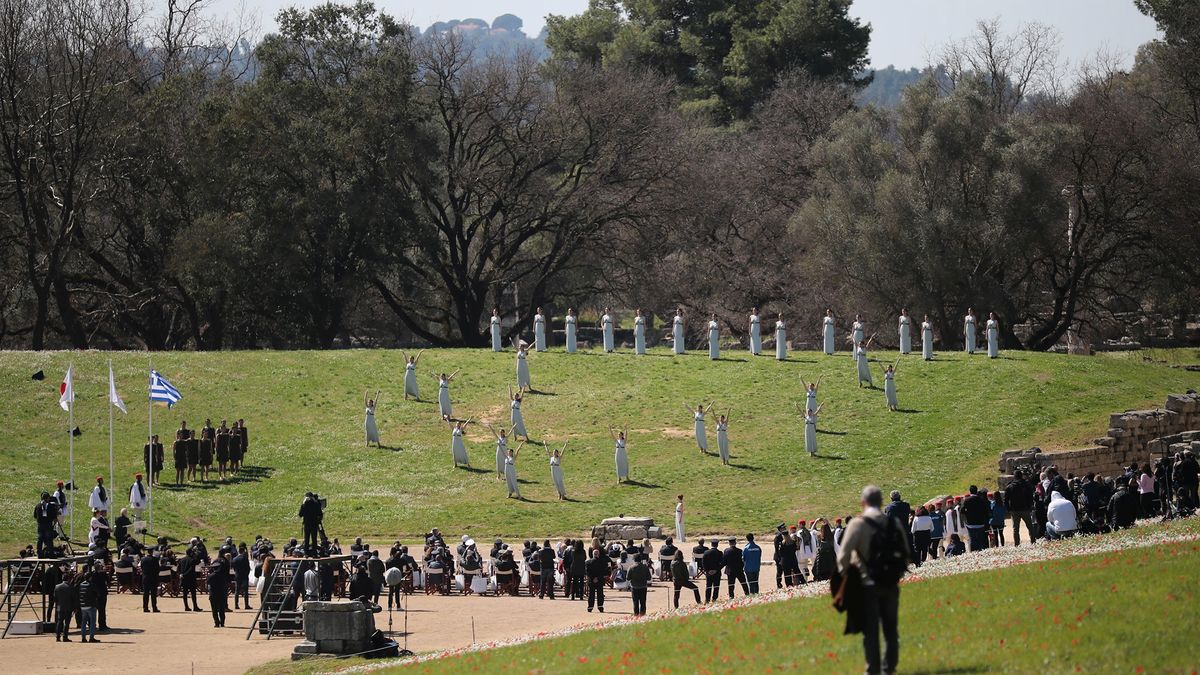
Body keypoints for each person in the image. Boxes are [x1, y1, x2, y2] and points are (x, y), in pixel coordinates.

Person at [835, 485, 911, 675]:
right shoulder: (893, 523)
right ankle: (889, 668)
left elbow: (842, 557)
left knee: (870, 632)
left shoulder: (858, 525)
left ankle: (873, 670)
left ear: (863, 503)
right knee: (891, 629)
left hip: (867, 584)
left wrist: (848, 577)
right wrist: (895, 575)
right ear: (882, 503)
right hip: (891, 583)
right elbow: (905, 553)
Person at [1004, 471, 1036, 546]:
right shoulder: (1026, 485)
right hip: (1025, 508)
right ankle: (1033, 542)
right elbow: (1030, 496)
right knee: (1030, 527)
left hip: (1014, 510)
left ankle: (1017, 544)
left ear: (1014, 477)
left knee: (1016, 529)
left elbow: (1005, 499)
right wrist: (1030, 506)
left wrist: (1008, 509)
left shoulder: (1010, 486)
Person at [961, 486, 991, 552]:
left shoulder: (967, 500)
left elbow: (962, 511)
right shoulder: (981, 500)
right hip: (980, 523)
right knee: (980, 540)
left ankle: (973, 553)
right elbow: (986, 511)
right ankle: (980, 551)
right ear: (976, 491)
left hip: (970, 524)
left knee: (972, 539)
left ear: (970, 491)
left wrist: (967, 514)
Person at [209, 553, 230, 627]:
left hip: (213, 594)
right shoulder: (223, 576)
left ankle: (216, 622)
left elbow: (208, 584)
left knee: (214, 610)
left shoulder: (211, 576)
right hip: (222, 593)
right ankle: (222, 622)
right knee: (221, 609)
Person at [35, 492, 59, 557]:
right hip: (48, 524)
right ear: (48, 498)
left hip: (40, 525)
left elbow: (35, 515)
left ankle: (39, 553)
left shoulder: (38, 505)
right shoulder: (50, 506)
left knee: (40, 539)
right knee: (49, 539)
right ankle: (50, 553)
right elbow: (54, 516)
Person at [90, 559, 109, 632]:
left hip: (97, 594)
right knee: (102, 610)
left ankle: (101, 625)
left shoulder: (93, 574)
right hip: (102, 593)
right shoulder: (102, 574)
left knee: (98, 610)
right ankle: (102, 625)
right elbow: (108, 580)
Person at [53, 574, 74, 642]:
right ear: (68, 579)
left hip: (60, 607)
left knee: (59, 622)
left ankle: (58, 636)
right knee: (67, 623)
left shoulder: (57, 586)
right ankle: (65, 637)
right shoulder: (70, 587)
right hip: (68, 607)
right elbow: (73, 598)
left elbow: (55, 598)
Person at [140, 548, 160, 612]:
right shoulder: (155, 559)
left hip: (145, 577)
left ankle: (145, 607)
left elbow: (142, 567)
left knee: (145, 593)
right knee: (153, 593)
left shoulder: (143, 559)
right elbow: (157, 569)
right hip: (153, 577)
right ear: (152, 552)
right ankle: (154, 607)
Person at [180, 547, 200, 612]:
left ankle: (186, 606)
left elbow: (178, 569)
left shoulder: (182, 560)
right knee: (193, 593)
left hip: (184, 578)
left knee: (185, 593)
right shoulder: (192, 560)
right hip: (191, 578)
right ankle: (195, 606)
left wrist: (181, 574)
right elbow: (192, 568)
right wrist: (195, 555)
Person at [232, 545, 252, 609]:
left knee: (237, 591)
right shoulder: (245, 558)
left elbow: (234, 568)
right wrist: (247, 574)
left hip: (238, 575)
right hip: (244, 576)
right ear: (243, 551)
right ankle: (246, 605)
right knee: (245, 591)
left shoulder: (234, 559)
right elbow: (248, 568)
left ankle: (236, 605)